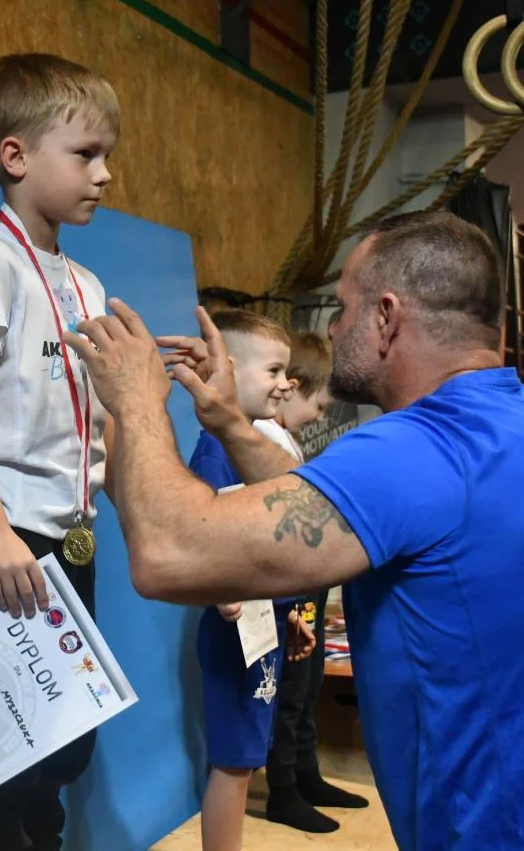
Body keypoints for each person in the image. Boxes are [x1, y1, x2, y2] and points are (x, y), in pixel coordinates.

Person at [63, 210, 524, 849]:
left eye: (344, 308)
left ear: (386, 317)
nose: (334, 328)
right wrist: (227, 420)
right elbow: (336, 506)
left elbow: (168, 553)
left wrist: (136, 400)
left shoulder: (420, 449)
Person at [0, 53, 118, 851]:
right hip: (3, 531)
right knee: (8, 751)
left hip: (70, 530)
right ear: (15, 156)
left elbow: (90, 420)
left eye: (107, 155)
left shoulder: (87, 285)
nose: (104, 174)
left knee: (67, 741)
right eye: (85, 154)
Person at [186, 310, 316, 850]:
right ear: (230, 369)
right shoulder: (215, 452)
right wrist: (223, 592)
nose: (286, 383)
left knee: (246, 760)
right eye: (274, 371)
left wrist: (289, 611)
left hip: (266, 629)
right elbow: (204, 536)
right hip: (235, 634)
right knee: (234, 762)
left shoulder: (258, 447)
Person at [263, 331, 367, 833]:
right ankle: (283, 789)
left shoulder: (287, 439)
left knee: (308, 684)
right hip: (289, 591)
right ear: (295, 386)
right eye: (320, 406)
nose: (320, 417)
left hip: (310, 590)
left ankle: (307, 772)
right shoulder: (264, 438)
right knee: (289, 689)